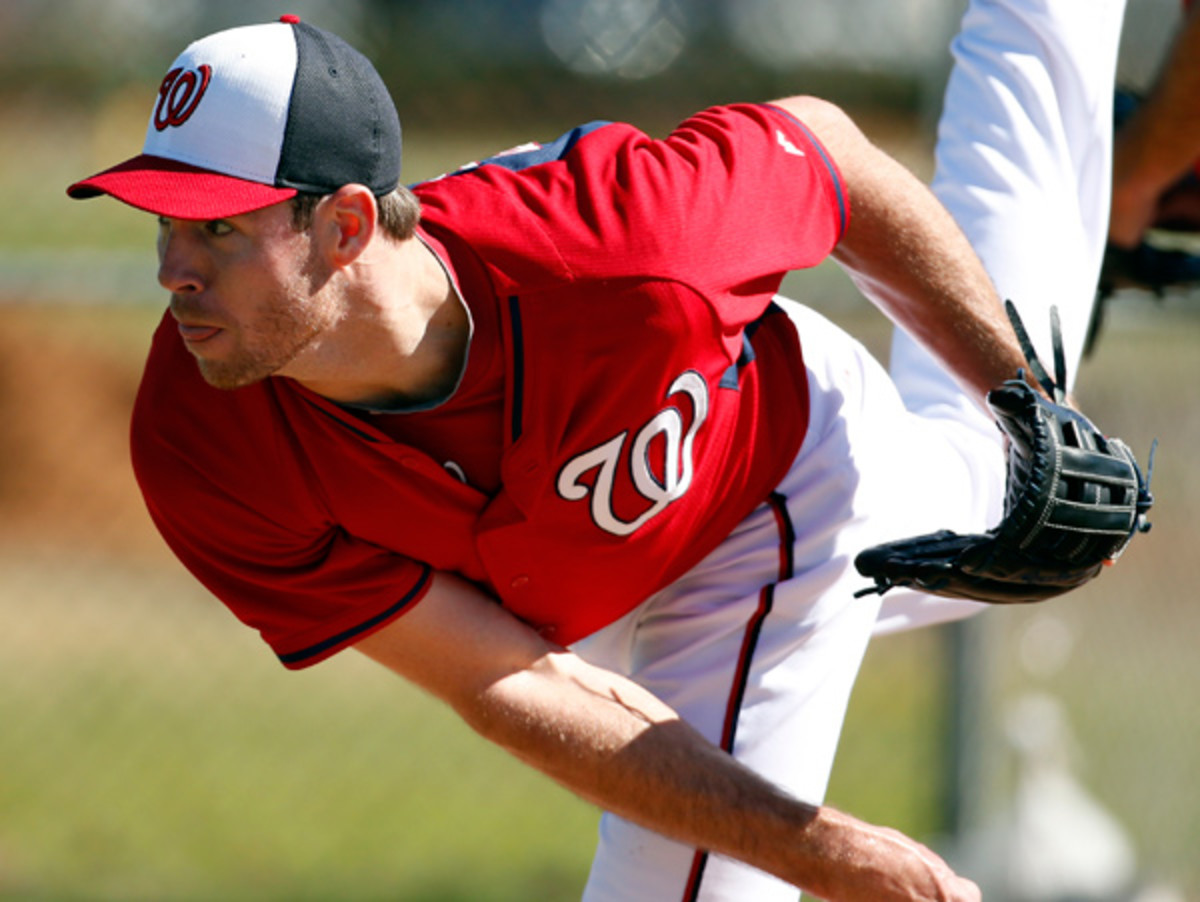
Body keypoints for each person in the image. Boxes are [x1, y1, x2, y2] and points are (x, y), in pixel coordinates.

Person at [65, 2, 1126, 898]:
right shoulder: (199, 436)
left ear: (346, 224)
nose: (171, 269)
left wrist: (1016, 391)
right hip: (589, 598)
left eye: (218, 230)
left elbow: (828, 155)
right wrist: (836, 851)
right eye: (161, 221)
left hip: (770, 485)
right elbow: (503, 679)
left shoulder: (624, 237)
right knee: (1003, 484)